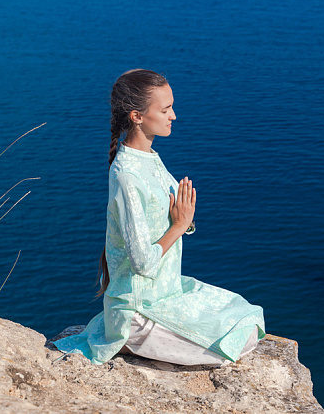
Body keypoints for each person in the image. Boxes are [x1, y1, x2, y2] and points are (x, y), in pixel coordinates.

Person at [54, 69, 265, 366]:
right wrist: (180, 225)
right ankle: (126, 339)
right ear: (137, 116)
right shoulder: (126, 176)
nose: (173, 116)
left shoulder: (150, 159)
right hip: (139, 310)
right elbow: (143, 263)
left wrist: (184, 219)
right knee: (237, 343)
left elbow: (169, 221)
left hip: (168, 292)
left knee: (246, 317)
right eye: (165, 110)